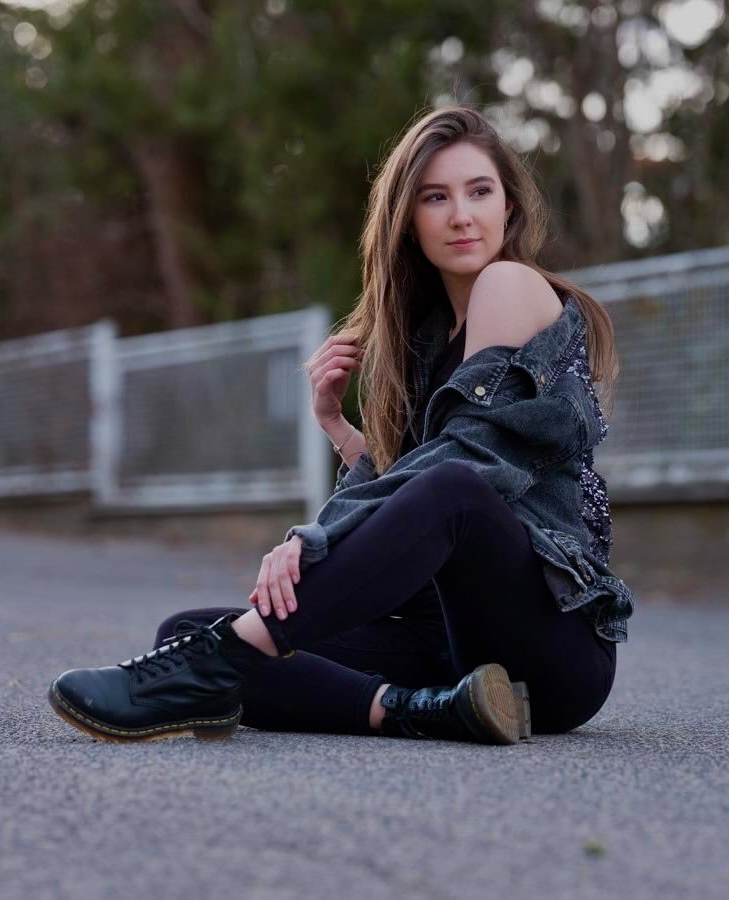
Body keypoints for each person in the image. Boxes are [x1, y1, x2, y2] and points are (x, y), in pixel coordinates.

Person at [46, 105, 635, 746]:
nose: (462, 216)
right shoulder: (425, 337)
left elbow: (467, 466)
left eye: (479, 191)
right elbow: (409, 481)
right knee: (185, 632)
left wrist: (316, 539)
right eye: (435, 197)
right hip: (446, 642)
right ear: (407, 219)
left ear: (509, 207)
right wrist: (338, 427)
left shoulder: (509, 286)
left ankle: (221, 658)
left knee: (451, 493)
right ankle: (418, 710)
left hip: (551, 649)